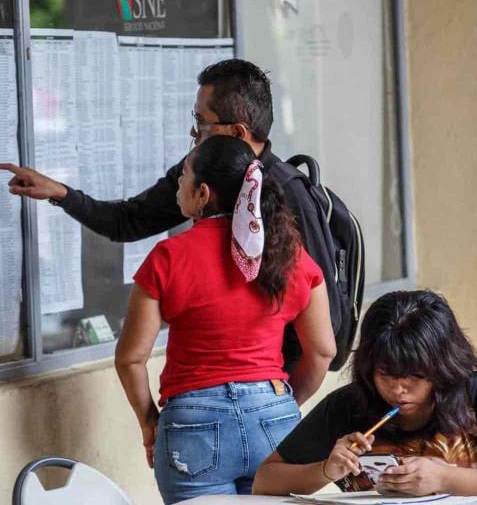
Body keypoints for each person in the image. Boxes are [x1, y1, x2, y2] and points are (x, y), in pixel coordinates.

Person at [0, 59, 340, 368]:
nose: (193, 132)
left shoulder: (289, 192)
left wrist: (280, 404)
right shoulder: (197, 170)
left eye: (201, 122)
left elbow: (325, 329)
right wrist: (62, 194)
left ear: (237, 133)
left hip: (271, 390)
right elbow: (128, 221)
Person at [115, 135, 336, 504]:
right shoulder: (291, 255)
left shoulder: (168, 257)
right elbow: (323, 352)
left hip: (192, 423)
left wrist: (148, 422)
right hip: (273, 415)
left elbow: (130, 358)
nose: (177, 187)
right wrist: (277, 406)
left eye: (183, 177)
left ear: (203, 193)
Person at [252, 290, 477, 501]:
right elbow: (265, 481)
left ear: (443, 366)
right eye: (386, 375)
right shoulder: (349, 405)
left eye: (416, 376)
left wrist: (446, 479)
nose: (398, 390)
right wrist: (325, 470)